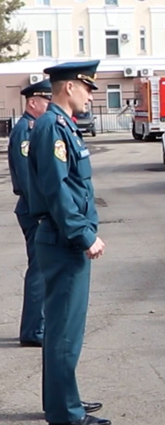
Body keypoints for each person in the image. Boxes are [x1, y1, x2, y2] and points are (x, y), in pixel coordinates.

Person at [27, 60, 109, 425]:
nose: (92, 95)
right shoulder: (52, 127)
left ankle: (64, 402)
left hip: (64, 239)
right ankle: (66, 415)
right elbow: (57, 189)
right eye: (88, 87)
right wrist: (83, 234)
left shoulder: (62, 126)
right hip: (63, 240)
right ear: (69, 87)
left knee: (64, 331)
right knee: (64, 333)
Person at [8, 79, 51, 348]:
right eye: (47, 101)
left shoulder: (32, 127)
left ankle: (36, 326)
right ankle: (34, 330)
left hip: (33, 208)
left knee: (42, 267)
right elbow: (27, 177)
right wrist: (42, 211)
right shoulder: (26, 130)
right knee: (39, 269)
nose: (50, 105)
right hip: (32, 209)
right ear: (33, 102)